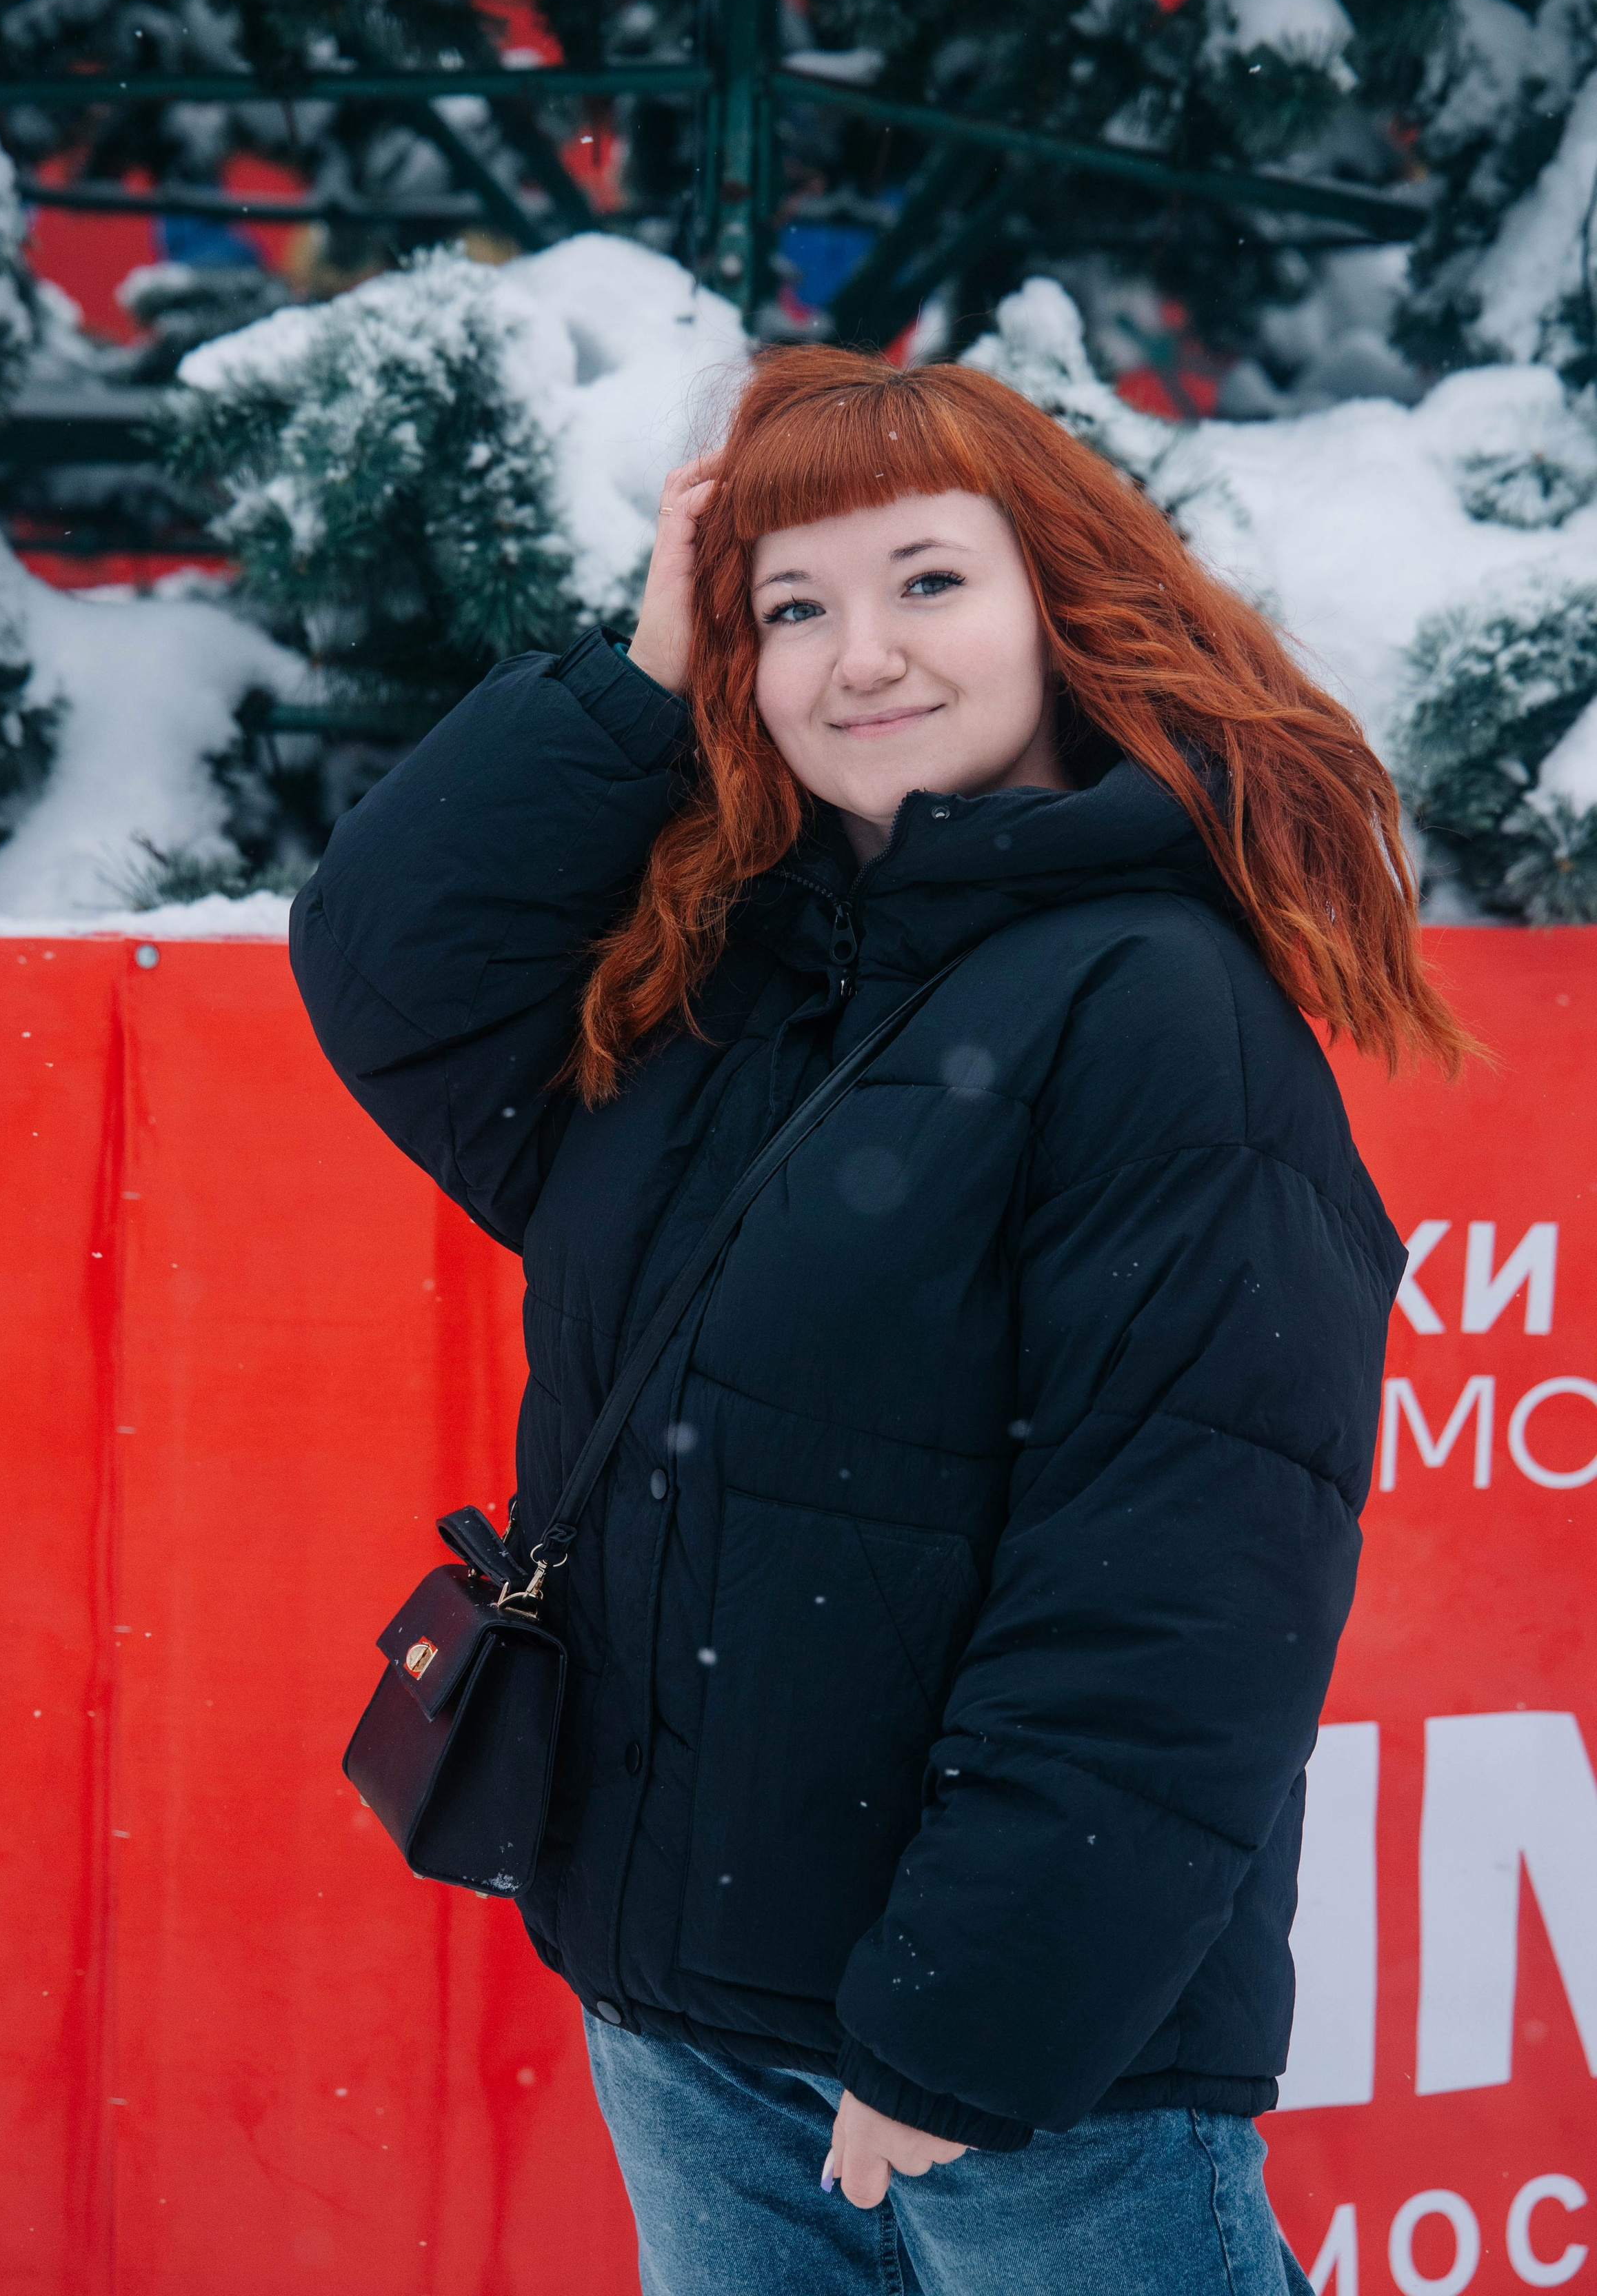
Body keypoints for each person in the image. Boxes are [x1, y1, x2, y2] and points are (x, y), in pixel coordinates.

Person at [290, 349, 1464, 2295]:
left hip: (1015, 2089)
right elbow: (393, 964)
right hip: (687, 2025)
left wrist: (967, 2034)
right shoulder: (718, 972)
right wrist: (644, 661)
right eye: (792, 608)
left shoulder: (1157, 1007)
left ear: (1055, 605)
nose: (863, 658)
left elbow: (1185, 1571)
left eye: (929, 581)